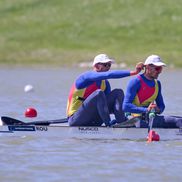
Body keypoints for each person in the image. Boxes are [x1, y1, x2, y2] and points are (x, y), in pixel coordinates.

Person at [66, 53, 143, 127]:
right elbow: (109, 74)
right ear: (96, 66)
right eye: (105, 65)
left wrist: (128, 110)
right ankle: (108, 124)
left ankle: (122, 122)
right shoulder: (85, 77)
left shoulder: (105, 83)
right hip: (76, 119)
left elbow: (107, 107)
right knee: (98, 93)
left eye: (109, 65)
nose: (108, 68)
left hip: (94, 119)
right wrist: (134, 72)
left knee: (118, 92)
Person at [123, 54, 182, 128]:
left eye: (160, 69)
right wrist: (146, 109)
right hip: (135, 119)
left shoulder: (157, 84)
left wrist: (158, 110)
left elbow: (161, 106)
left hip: (150, 117)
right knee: (179, 122)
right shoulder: (135, 82)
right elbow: (125, 106)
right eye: (157, 69)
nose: (159, 72)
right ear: (147, 67)